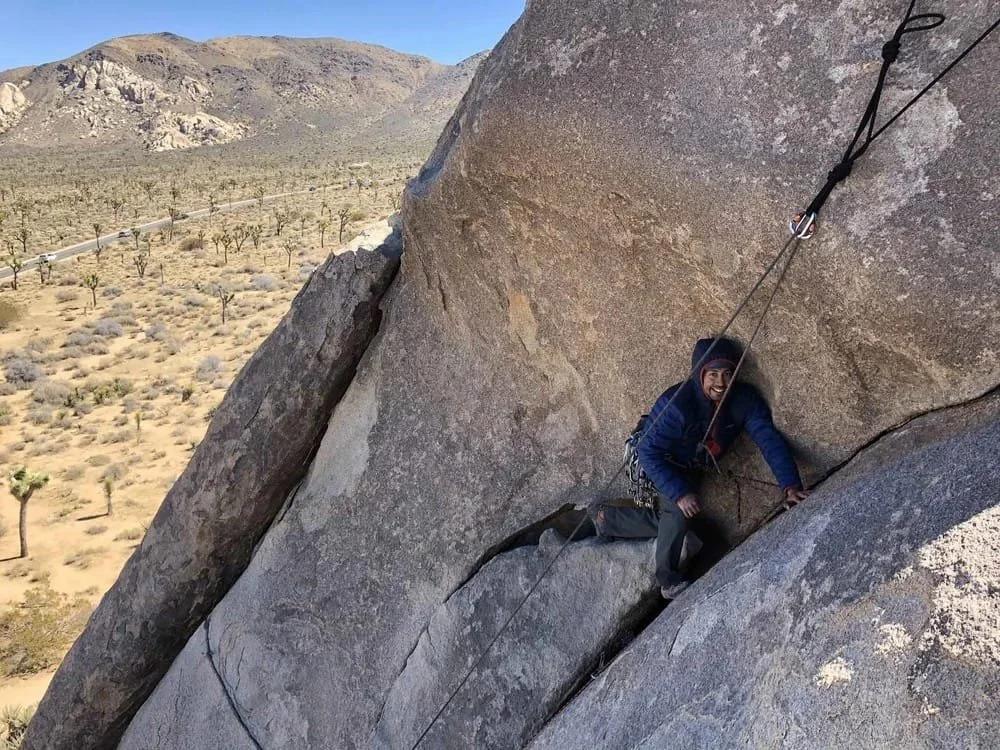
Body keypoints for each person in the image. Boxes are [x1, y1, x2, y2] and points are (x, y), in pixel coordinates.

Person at [590, 337, 808, 600]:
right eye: (713, 374)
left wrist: (790, 485)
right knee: (678, 514)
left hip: (690, 464)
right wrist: (680, 493)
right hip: (659, 461)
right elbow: (648, 451)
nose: (721, 383)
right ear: (699, 374)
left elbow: (768, 440)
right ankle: (668, 580)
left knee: (676, 522)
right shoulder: (677, 405)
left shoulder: (744, 401)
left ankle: (607, 519)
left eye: (727, 374)